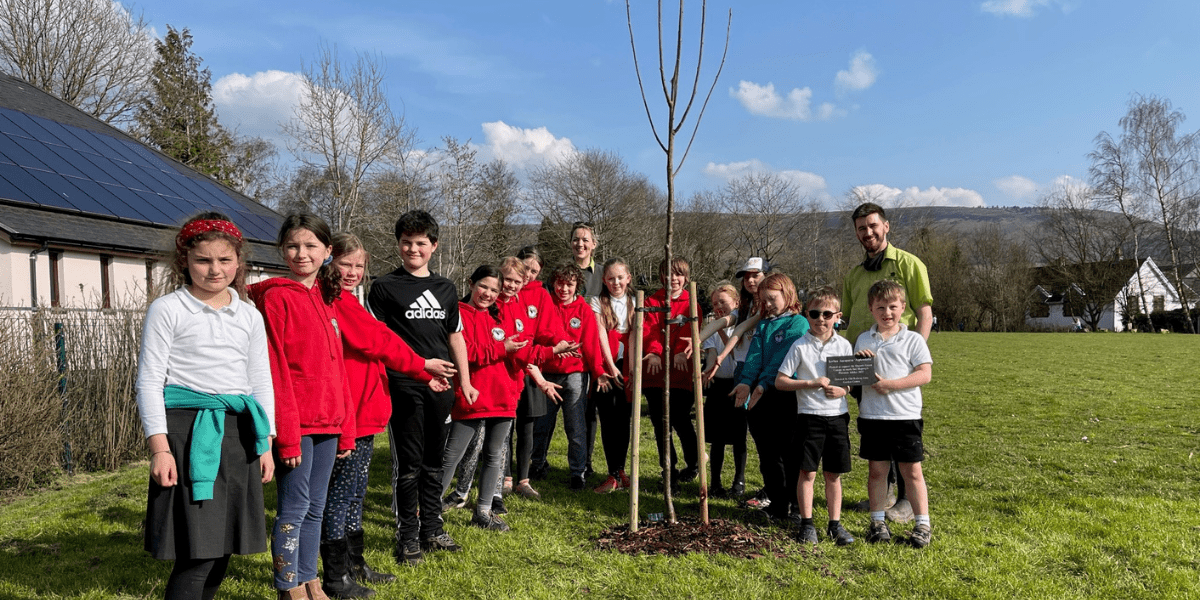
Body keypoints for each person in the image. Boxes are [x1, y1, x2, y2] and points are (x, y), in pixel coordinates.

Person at [136, 213, 274, 600]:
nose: (215, 270)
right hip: (188, 435)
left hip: (238, 435)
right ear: (185, 260)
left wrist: (265, 442)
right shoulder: (168, 309)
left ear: (238, 262)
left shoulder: (248, 314)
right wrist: (160, 449)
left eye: (225, 260)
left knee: (223, 548)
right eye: (203, 260)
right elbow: (149, 381)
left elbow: (260, 380)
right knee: (198, 553)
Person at [322, 233, 450, 597]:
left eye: (359, 266)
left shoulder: (347, 300)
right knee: (341, 496)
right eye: (344, 264)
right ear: (330, 261)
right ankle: (335, 576)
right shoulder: (335, 302)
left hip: (365, 413)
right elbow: (378, 340)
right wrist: (422, 366)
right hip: (350, 414)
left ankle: (355, 563)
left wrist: (422, 372)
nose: (352, 272)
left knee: (355, 493)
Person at [248, 213, 356, 600]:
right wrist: (288, 436)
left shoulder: (326, 299)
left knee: (316, 506)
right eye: (293, 246)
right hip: (298, 425)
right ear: (282, 250)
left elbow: (337, 370)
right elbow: (275, 370)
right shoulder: (276, 298)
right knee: (294, 508)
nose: (301, 253)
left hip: (329, 422)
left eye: (311, 245)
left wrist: (347, 428)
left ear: (328, 251)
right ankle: (288, 586)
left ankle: (310, 580)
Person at [365, 210, 476, 566]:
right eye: (406, 242)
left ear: (434, 246)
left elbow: (455, 336)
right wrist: (416, 366)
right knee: (409, 464)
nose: (413, 249)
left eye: (421, 243)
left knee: (434, 463)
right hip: (404, 386)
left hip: (441, 388)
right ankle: (408, 535)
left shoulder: (446, 289)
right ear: (398, 244)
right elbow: (378, 341)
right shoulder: (384, 287)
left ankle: (433, 528)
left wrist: (465, 380)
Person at [439, 264, 553, 532]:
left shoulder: (498, 316)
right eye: (483, 286)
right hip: (472, 396)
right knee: (452, 456)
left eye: (494, 290)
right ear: (471, 284)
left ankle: (484, 511)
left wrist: (551, 352)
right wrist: (502, 348)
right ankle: (429, 510)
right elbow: (466, 352)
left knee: (494, 456)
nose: (488, 294)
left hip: (503, 397)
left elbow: (519, 352)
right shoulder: (458, 314)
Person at [842, 202, 933, 522]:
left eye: (872, 225)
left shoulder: (909, 264)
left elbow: (924, 313)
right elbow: (847, 318)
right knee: (876, 429)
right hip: (862, 364)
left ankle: (907, 500)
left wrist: (915, 356)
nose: (867, 232)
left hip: (899, 366)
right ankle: (887, 494)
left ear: (886, 226)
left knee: (901, 430)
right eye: (861, 228)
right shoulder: (854, 275)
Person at [853, 280, 933, 548]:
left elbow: (925, 374)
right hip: (872, 416)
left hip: (904, 416)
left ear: (903, 308)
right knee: (877, 472)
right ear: (870, 309)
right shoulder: (863, 339)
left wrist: (890, 385)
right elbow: (856, 377)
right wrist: (860, 363)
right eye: (880, 308)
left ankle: (922, 524)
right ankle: (877, 522)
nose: (887, 313)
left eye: (892, 307)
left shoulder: (913, 339)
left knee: (912, 472)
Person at [774, 286, 856, 546]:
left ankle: (835, 524)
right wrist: (810, 383)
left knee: (833, 474)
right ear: (806, 314)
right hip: (809, 418)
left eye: (827, 314)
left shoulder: (844, 345)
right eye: (814, 313)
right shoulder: (799, 346)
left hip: (837, 417)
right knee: (807, 473)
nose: (821, 319)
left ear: (838, 317)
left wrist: (844, 389)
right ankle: (807, 524)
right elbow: (780, 381)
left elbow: (850, 381)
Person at [731, 272, 809, 523]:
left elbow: (781, 360)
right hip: (759, 395)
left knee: (789, 454)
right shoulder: (764, 324)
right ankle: (777, 505)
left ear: (788, 294)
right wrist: (745, 381)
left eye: (772, 298)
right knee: (767, 454)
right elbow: (754, 356)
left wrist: (762, 385)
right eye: (763, 300)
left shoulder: (798, 324)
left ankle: (796, 507)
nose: (767, 304)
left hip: (784, 395)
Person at [531, 263, 612, 491]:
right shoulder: (546, 305)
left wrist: (598, 371)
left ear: (578, 286)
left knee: (575, 426)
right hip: (548, 373)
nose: (564, 289)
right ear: (553, 283)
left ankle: (578, 472)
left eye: (570, 284)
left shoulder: (584, 310)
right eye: (560, 283)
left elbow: (591, 344)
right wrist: (555, 344)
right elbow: (539, 334)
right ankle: (537, 464)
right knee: (542, 424)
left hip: (575, 374)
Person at [515, 246, 576, 493]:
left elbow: (549, 327)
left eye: (534, 271)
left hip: (532, 367)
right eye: (525, 268)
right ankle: (503, 476)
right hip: (508, 367)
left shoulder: (540, 294)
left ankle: (523, 478)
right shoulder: (506, 287)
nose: (528, 275)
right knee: (504, 425)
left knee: (528, 425)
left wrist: (560, 343)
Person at [642, 256, 700, 485]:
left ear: (686, 277)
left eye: (678, 274)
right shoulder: (652, 301)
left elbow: (690, 330)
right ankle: (669, 469)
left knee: (680, 419)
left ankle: (694, 463)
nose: (673, 278)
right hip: (655, 374)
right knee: (660, 424)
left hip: (680, 373)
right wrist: (654, 352)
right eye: (668, 273)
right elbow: (649, 330)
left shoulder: (691, 303)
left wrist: (680, 351)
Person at [590, 258, 635, 494]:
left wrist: (632, 368)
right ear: (604, 280)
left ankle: (622, 470)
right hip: (607, 368)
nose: (615, 282)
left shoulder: (636, 302)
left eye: (620, 277)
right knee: (609, 420)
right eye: (610, 278)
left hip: (628, 365)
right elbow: (599, 336)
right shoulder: (598, 302)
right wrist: (609, 366)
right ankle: (612, 472)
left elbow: (636, 335)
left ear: (628, 278)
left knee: (624, 420)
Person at [700, 283, 747, 498]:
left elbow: (735, 352)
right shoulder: (712, 328)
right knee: (717, 439)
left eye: (723, 302)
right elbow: (711, 354)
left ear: (736, 302)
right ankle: (715, 482)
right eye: (715, 303)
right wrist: (708, 371)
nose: (718, 306)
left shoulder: (743, 325)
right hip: (718, 386)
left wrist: (720, 329)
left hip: (736, 384)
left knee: (739, 436)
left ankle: (739, 480)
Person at [568, 221, 604, 479]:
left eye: (585, 240)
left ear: (594, 244)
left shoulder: (603, 274)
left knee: (590, 411)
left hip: (596, 350)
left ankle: (586, 461)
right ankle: (539, 461)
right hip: (567, 354)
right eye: (576, 239)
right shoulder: (562, 274)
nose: (580, 244)